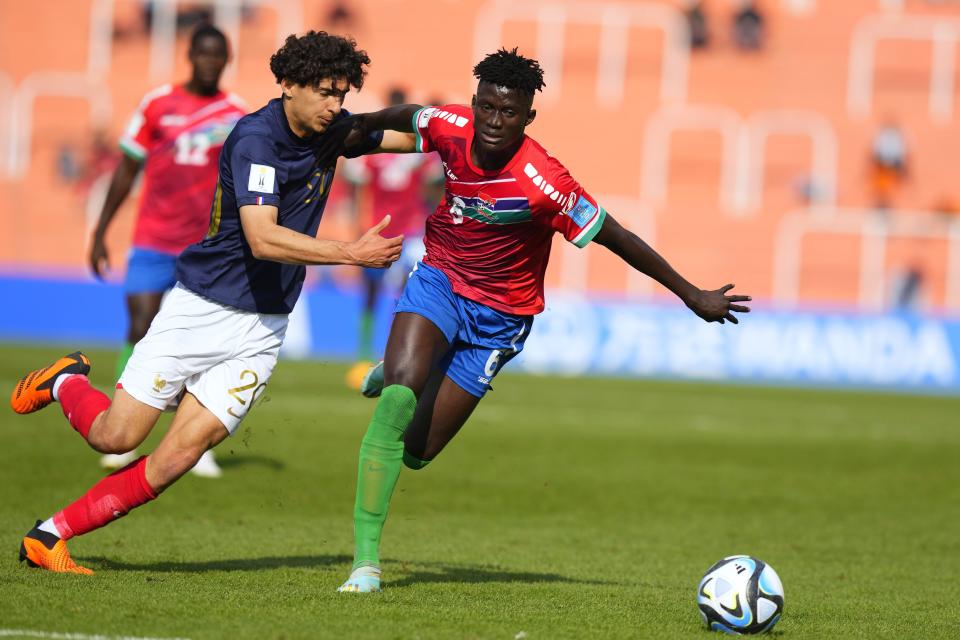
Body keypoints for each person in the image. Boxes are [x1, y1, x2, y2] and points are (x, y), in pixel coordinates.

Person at [337, 48, 752, 593]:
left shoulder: (545, 182)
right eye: (485, 107)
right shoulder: (451, 125)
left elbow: (618, 237)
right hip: (440, 277)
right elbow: (408, 117)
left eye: (508, 113)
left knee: (415, 453)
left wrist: (691, 294)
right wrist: (353, 130)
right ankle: (365, 563)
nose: (493, 121)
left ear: (528, 116)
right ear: (474, 102)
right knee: (399, 399)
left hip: (500, 318)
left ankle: (392, 371)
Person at [9, 30, 410, 575]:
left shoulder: (332, 130)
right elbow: (263, 238)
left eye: (342, 94)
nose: (335, 105)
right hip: (203, 308)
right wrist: (351, 252)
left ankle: (50, 534)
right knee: (117, 436)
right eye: (324, 91)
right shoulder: (255, 140)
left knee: (179, 457)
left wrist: (463, 133)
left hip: (264, 327)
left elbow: (403, 135)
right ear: (289, 85)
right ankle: (65, 382)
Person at [90, 24, 247, 477]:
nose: (210, 61)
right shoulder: (157, 103)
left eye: (219, 54)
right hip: (152, 240)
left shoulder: (236, 115)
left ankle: (193, 440)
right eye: (204, 53)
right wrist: (101, 229)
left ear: (227, 58)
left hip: (205, 247)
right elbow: (127, 168)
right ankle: (122, 433)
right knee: (140, 326)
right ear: (190, 55)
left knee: (203, 342)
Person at [342, 86, 443, 384]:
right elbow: (359, 187)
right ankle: (364, 355)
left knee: (400, 294)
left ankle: (388, 356)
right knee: (378, 294)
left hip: (407, 232)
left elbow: (432, 186)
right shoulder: (379, 151)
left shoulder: (410, 151)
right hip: (382, 230)